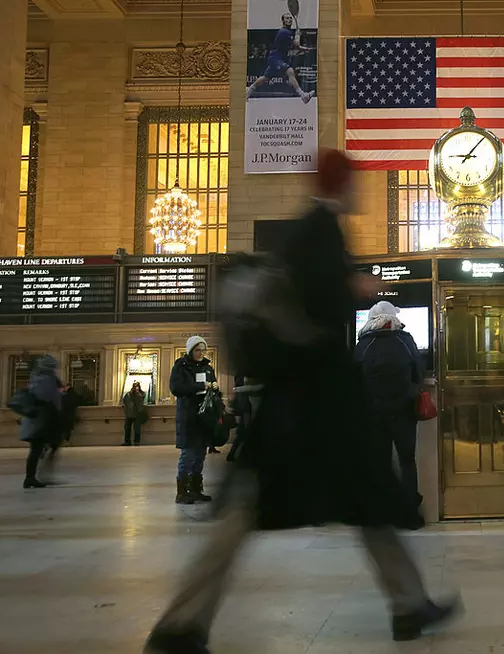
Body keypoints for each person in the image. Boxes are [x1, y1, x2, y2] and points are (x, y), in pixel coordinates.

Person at [144, 150, 457, 654]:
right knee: (263, 508)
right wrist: (355, 288)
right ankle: (179, 625)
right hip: (311, 406)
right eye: (353, 181)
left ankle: (409, 603)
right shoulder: (319, 231)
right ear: (342, 183)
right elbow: (318, 311)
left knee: (361, 500)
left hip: (307, 404)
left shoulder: (307, 231)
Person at [354, 300, 424, 508]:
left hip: (374, 412)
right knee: (407, 460)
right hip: (404, 411)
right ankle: (410, 511)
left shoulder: (364, 344)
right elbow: (418, 373)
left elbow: (355, 379)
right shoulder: (405, 340)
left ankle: (384, 510)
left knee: (381, 462)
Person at [169, 336, 218, 505]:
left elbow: (213, 386)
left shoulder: (208, 368)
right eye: (197, 350)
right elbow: (176, 388)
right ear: (190, 351)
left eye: (203, 350)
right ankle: (182, 492)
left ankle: (197, 490)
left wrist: (214, 390)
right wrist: (200, 387)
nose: (201, 353)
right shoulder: (181, 367)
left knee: (200, 455)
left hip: (204, 417)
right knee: (188, 454)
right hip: (189, 416)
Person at [245, 13, 314, 103]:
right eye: (287, 18)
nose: (289, 19)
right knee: (290, 71)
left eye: (290, 18)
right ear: (283, 21)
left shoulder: (287, 32)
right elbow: (296, 45)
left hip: (278, 58)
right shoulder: (284, 32)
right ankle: (303, 96)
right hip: (275, 58)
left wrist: (305, 49)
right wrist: (298, 35)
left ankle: (249, 90)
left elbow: (295, 46)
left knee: (266, 77)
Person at [19, 355, 63, 489]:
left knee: (39, 449)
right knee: (38, 449)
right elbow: (47, 399)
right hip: (41, 420)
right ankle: (32, 477)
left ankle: (34, 476)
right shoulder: (45, 380)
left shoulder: (38, 378)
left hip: (38, 420)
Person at [122, 381, 147, 446]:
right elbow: (124, 401)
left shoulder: (142, 394)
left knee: (137, 429)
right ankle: (127, 441)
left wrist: (137, 394)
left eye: (137, 386)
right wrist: (125, 409)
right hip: (129, 414)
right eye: (135, 387)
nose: (136, 388)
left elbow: (141, 401)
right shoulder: (128, 394)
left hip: (137, 414)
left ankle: (136, 441)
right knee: (127, 428)